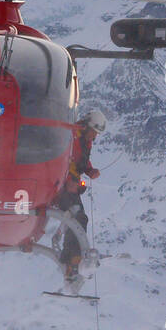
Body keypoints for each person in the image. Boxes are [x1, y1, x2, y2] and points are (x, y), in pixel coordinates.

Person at [57, 108, 106, 281]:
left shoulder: (85, 140)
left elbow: (81, 160)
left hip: (69, 184)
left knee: (79, 218)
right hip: (59, 185)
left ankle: (72, 260)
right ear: (87, 126)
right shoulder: (71, 135)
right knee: (77, 217)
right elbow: (62, 158)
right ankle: (72, 261)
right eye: (94, 132)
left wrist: (90, 170)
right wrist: (68, 179)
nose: (95, 137)